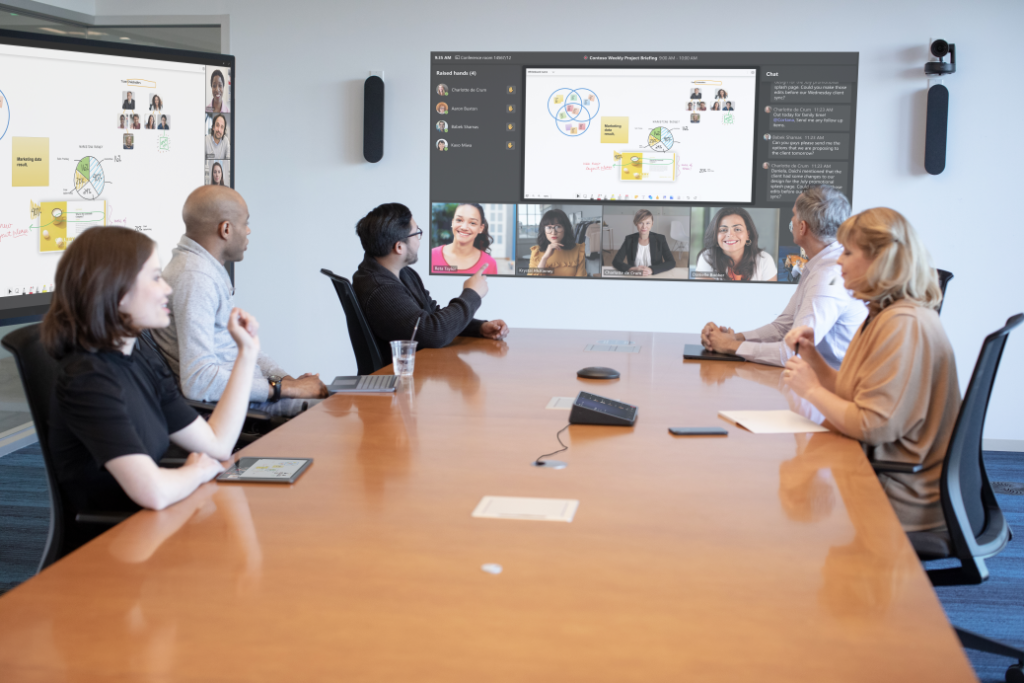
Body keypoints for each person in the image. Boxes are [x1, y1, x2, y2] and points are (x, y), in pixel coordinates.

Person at [42, 226, 258, 536]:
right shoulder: (87, 379)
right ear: (117, 292)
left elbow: (218, 444)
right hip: (116, 544)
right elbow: (153, 492)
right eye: (155, 277)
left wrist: (247, 354)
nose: (167, 289)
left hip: (158, 527)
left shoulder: (138, 357)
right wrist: (195, 471)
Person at [782, 208, 956, 533]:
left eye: (848, 252)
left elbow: (872, 425)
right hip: (886, 475)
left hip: (900, 496)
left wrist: (811, 391)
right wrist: (813, 359)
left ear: (881, 261)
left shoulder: (903, 325)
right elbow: (855, 393)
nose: (839, 262)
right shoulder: (882, 313)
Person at [153, 186, 327, 418]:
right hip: (242, 412)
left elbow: (236, 352)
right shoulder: (195, 277)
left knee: (343, 403)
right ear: (226, 229)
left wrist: (286, 381)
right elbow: (198, 381)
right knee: (344, 414)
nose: (248, 230)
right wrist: (286, 389)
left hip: (251, 398)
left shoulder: (204, 269)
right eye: (245, 223)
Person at [700, 185, 866, 367]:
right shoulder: (819, 265)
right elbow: (783, 328)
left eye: (794, 215)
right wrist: (734, 338)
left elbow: (793, 352)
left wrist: (730, 346)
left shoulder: (828, 275)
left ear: (802, 227)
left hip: (835, 385)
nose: (792, 220)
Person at [352, 202, 509, 364]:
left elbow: (431, 315)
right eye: (416, 234)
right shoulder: (380, 289)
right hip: (398, 379)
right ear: (399, 247)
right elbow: (433, 333)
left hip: (418, 369)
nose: (419, 242)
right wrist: (472, 294)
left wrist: (479, 328)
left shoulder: (402, 273)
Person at [694, 207, 777, 281]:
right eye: (723, 230)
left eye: (737, 229)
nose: (730, 234)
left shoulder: (765, 260)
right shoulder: (707, 257)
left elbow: (771, 296)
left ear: (748, 235)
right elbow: (704, 295)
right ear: (716, 236)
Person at [431, 203, 498, 274]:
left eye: (472, 223)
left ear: (480, 228)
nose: (464, 227)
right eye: (459, 220)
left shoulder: (489, 264)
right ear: (452, 222)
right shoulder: (432, 256)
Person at [611, 209, 675, 277]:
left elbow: (671, 262)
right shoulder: (629, 239)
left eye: (647, 223)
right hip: (635, 276)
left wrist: (651, 269)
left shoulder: (660, 239)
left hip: (655, 276)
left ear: (652, 224)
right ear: (636, 223)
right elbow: (616, 261)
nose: (644, 226)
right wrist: (632, 269)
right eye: (641, 223)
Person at [528, 208, 586, 277]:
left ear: (565, 229)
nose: (553, 232)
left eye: (558, 226)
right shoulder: (536, 252)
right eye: (549, 227)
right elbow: (533, 282)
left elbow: (580, 281)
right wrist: (544, 258)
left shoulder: (578, 250)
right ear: (544, 230)